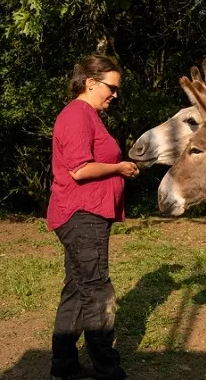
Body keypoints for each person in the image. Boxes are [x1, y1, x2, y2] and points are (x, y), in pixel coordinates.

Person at [46, 54, 137, 380]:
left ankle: (64, 368)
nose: (115, 94)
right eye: (111, 87)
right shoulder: (77, 115)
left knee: (77, 288)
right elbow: (80, 169)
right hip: (81, 214)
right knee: (98, 291)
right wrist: (119, 167)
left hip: (85, 214)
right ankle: (109, 371)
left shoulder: (89, 116)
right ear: (90, 82)